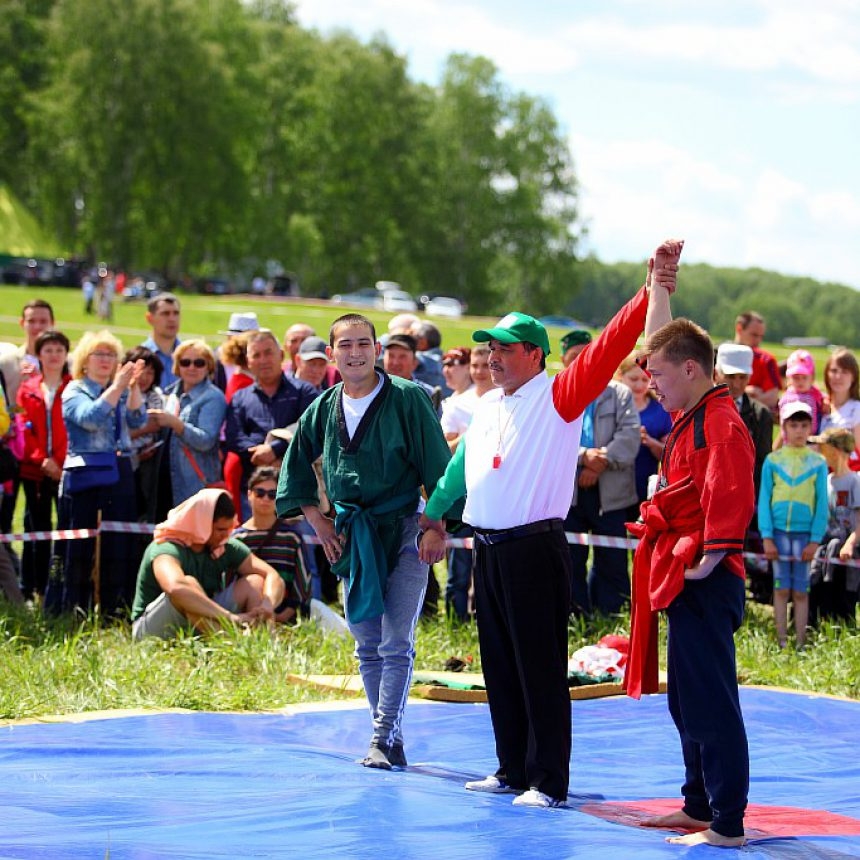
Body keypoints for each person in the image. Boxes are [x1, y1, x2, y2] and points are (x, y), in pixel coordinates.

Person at [420, 239, 682, 809]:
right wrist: (433, 516)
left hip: (534, 550)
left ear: (535, 356)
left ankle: (548, 780)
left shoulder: (560, 395)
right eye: (490, 347)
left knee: (539, 667)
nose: (493, 356)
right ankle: (511, 767)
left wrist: (651, 288)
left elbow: (611, 345)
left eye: (506, 349)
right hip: (487, 550)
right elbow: (459, 469)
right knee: (499, 664)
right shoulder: (486, 404)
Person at [276, 312, 451, 771]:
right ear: (332, 353)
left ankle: (381, 736)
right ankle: (389, 735)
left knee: (396, 639)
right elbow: (294, 464)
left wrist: (436, 526)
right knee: (366, 641)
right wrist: (318, 520)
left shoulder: (409, 398)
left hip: (406, 528)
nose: (354, 353)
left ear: (377, 350)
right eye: (345, 345)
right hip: (354, 533)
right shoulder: (323, 405)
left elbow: (439, 466)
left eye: (363, 344)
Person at [625, 314, 754, 847]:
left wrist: (705, 560)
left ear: (692, 368)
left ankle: (726, 823)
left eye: (658, 373)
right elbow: (664, 334)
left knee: (710, 701)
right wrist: (658, 288)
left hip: (705, 578)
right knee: (686, 699)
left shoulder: (719, 422)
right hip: (686, 574)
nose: (651, 382)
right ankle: (698, 805)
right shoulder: (693, 413)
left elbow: (730, 495)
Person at [47, 331, 148, 615]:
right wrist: (117, 387)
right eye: (99, 355)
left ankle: (114, 607)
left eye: (111, 355)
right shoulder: (75, 390)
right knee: (80, 547)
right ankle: (73, 607)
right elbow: (89, 419)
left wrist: (134, 386)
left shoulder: (122, 389)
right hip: (86, 475)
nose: (106, 360)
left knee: (119, 543)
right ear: (84, 360)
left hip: (121, 470)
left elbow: (138, 419)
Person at [131, 488, 284, 640]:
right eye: (220, 529)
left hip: (200, 622)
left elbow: (272, 575)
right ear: (201, 525)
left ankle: (262, 642)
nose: (227, 534)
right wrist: (230, 617)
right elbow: (175, 588)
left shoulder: (224, 546)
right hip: (149, 632)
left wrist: (267, 605)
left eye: (230, 528)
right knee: (188, 587)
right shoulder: (165, 547)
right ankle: (232, 645)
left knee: (255, 582)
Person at [561, 331, 641, 616]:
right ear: (563, 360)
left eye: (588, 354)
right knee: (570, 559)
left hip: (612, 494)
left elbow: (630, 437)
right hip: (567, 494)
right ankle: (575, 617)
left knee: (612, 560)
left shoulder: (620, 394)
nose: (583, 361)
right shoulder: (557, 395)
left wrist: (599, 463)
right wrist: (584, 457)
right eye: (574, 357)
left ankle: (611, 616)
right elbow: (550, 442)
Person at [226, 330, 319, 517]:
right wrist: (260, 454)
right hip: (255, 494)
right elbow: (234, 438)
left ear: (281, 355)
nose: (263, 360)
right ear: (248, 361)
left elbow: (313, 429)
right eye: (256, 355)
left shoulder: (304, 391)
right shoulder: (240, 398)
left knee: (300, 545)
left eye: (268, 353)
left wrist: (275, 449)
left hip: (298, 495)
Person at [760, 401, 828, 649]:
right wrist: (767, 536)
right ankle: (781, 642)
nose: (799, 430)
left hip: (804, 535)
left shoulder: (818, 463)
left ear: (811, 426)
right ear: (784, 427)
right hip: (778, 533)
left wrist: (814, 539)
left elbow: (822, 504)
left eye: (804, 424)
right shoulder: (773, 460)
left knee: (801, 591)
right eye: (793, 424)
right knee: (780, 589)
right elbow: (764, 499)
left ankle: (800, 642)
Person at [714, 342, 774, 603]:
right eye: (730, 376)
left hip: (745, 496)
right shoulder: (702, 407)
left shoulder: (760, 414)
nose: (736, 384)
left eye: (742, 377)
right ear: (716, 373)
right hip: (711, 495)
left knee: (746, 553)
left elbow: (762, 461)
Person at [17, 330, 71, 600]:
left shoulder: (74, 387)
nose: (54, 356)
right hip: (35, 472)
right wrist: (43, 460)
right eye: (48, 350)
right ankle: (32, 587)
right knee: (35, 529)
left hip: (67, 470)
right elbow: (23, 429)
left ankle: (58, 586)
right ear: (38, 354)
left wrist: (60, 464)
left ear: (66, 355)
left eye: (59, 350)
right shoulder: (27, 390)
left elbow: (74, 429)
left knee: (65, 531)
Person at [148, 341, 227, 508]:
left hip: (194, 483)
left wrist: (176, 424)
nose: (192, 368)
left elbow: (205, 441)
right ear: (177, 366)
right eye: (185, 362)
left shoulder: (213, 397)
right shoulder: (170, 394)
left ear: (208, 367)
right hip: (165, 479)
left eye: (199, 363)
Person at [808, 427, 860, 624]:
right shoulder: (828, 481)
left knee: (844, 596)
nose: (820, 451)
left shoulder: (855, 481)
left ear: (836, 450)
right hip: (827, 547)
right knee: (820, 589)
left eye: (824, 447)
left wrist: (850, 543)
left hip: (848, 550)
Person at [617, 353, 673, 505]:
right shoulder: (610, 405)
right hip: (612, 488)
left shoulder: (660, 410)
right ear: (620, 376)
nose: (640, 385)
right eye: (633, 379)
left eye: (645, 380)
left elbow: (670, 455)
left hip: (644, 486)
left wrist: (649, 441)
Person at [122, 347, 165, 525]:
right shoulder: (120, 395)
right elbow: (122, 433)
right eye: (141, 372)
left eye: (150, 372)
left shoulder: (155, 397)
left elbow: (155, 426)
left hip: (148, 462)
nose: (145, 378)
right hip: (124, 461)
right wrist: (142, 430)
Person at [819, 348, 860, 470]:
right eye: (834, 370)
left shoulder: (857, 408)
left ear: (853, 377)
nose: (838, 376)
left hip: (848, 474)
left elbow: (857, 449)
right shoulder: (819, 403)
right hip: (819, 472)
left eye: (845, 372)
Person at [734, 311, 781, 411]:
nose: (758, 341)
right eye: (754, 335)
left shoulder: (767, 360)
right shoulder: (717, 355)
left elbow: (772, 398)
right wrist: (746, 393)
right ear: (739, 328)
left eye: (761, 336)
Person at [775, 350, 825, 443]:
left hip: (809, 440)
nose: (800, 381)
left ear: (812, 378)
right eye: (796, 377)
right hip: (789, 441)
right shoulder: (786, 397)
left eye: (804, 378)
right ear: (789, 378)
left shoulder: (815, 395)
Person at [140, 293, 182, 390]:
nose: (172, 319)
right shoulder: (139, 358)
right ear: (149, 318)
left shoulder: (190, 358)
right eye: (165, 314)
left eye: (176, 313)